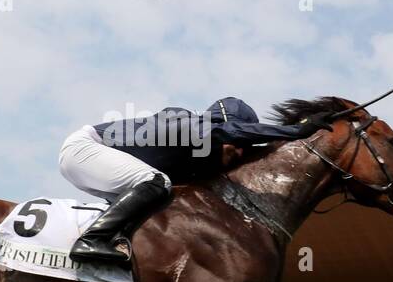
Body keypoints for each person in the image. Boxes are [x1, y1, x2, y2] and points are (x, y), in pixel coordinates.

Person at [58, 98, 328, 265]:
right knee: (156, 182)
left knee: (158, 198)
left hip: (87, 161)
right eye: (239, 144)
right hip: (84, 149)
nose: (240, 152)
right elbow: (227, 130)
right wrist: (297, 131)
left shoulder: (193, 149)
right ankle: (93, 239)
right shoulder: (191, 123)